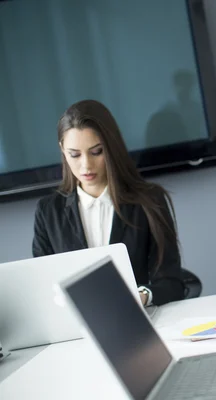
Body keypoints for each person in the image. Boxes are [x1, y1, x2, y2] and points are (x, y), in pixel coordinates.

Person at [33, 100, 185, 306]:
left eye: (96, 152)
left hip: (137, 321)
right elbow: (43, 287)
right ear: (62, 149)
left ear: (111, 147)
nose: (86, 165)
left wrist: (142, 296)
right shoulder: (48, 212)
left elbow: (171, 283)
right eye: (74, 154)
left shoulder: (150, 201)